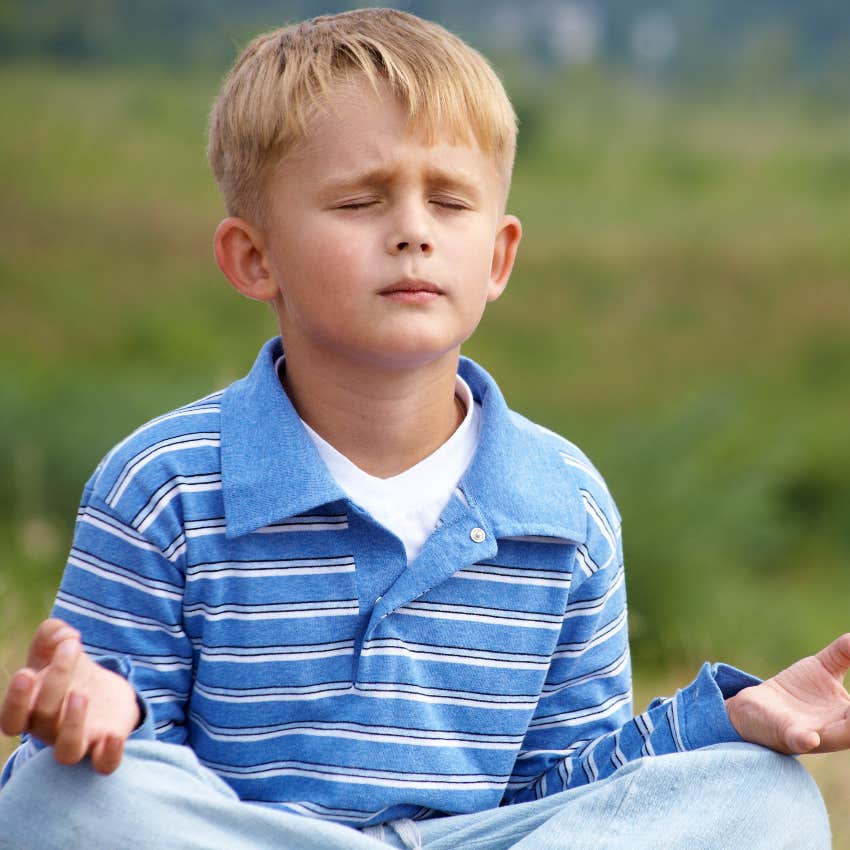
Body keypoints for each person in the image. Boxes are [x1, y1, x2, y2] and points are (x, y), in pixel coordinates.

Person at [0, 9, 846, 849]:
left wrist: (729, 720)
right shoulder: (164, 482)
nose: (412, 231)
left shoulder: (564, 500)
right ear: (254, 258)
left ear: (499, 257)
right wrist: (101, 711)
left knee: (767, 798)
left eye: (448, 201)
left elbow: (575, 792)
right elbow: (118, 765)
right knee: (47, 792)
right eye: (361, 200)